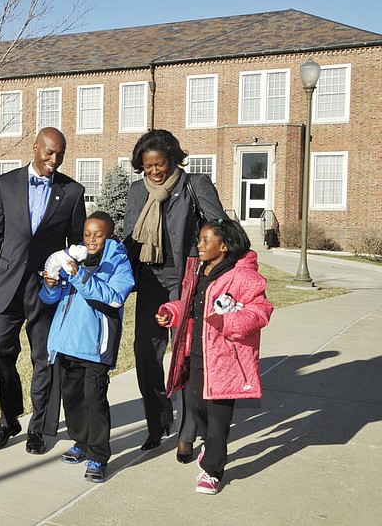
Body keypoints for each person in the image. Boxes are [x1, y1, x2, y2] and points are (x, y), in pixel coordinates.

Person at [0, 127, 87, 455]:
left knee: (45, 357)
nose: (54, 160)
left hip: (46, 288)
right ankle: (8, 418)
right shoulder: (6, 184)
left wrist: (66, 272)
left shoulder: (72, 192)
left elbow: (77, 245)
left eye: (60, 155)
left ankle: (39, 428)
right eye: (49, 152)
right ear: (35, 147)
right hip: (7, 283)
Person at [122, 129, 228, 461]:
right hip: (151, 280)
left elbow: (220, 227)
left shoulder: (195, 185)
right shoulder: (137, 191)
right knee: (146, 353)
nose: (154, 172)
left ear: (172, 158)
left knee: (185, 355)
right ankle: (158, 421)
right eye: (148, 166)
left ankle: (187, 429)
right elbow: (129, 240)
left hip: (186, 281)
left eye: (160, 164)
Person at [156, 218, 273, 494]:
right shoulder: (199, 270)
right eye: (200, 239)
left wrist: (227, 323)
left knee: (219, 416)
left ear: (224, 245)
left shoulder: (243, 276)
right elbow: (191, 306)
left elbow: (260, 311)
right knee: (197, 408)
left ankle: (213, 469)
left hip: (226, 359)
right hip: (197, 355)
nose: (200, 244)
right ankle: (211, 445)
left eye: (206, 240)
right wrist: (171, 312)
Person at [39, 212, 134, 482]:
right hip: (68, 343)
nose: (92, 240)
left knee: (95, 400)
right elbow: (51, 299)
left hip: (94, 345)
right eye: (87, 234)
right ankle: (81, 442)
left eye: (99, 234)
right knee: (72, 398)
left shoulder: (118, 263)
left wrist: (80, 276)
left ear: (109, 235)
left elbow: (113, 299)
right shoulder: (72, 256)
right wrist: (49, 285)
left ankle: (99, 455)